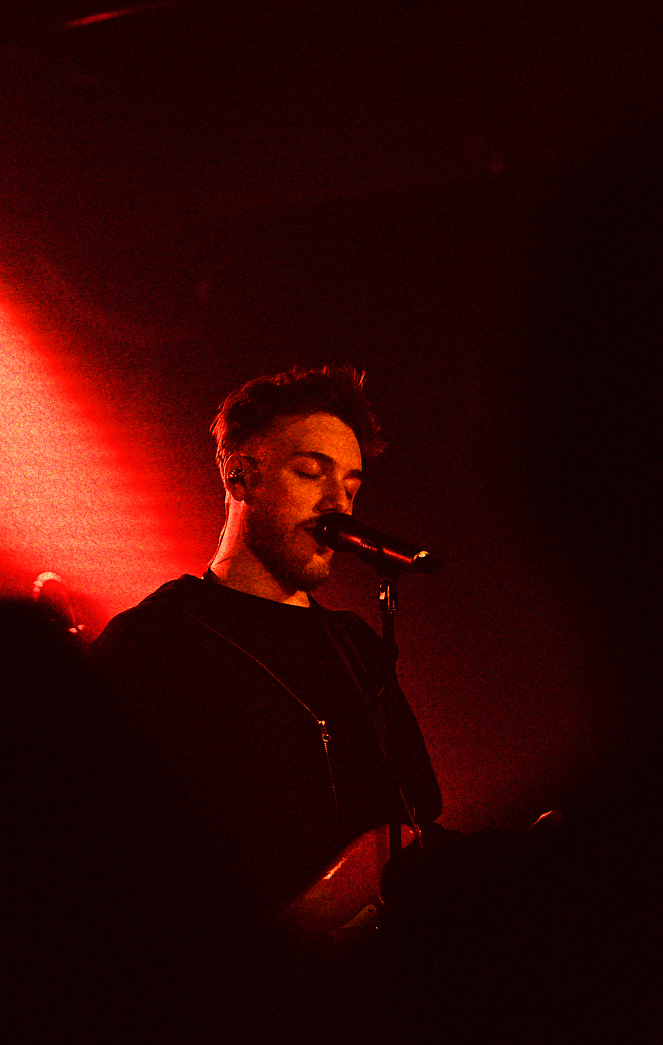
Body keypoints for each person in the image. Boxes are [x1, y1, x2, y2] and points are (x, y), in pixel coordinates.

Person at [89, 365, 445, 1038]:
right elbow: (104, 862)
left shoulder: (355, 646)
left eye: (351, 485)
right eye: (311, 473)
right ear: (239, 477)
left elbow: (416, 815)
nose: (338, 504)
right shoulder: (153, 641)